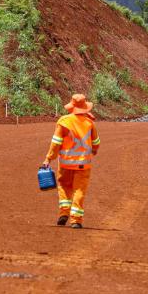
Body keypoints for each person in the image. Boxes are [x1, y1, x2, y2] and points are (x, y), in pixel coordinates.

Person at [43, 94, 100, 228]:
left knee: (64, 186)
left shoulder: (63, 122)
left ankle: (64, 212)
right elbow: (96, 142)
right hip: (83, 165)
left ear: (71, 107)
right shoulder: (90, 123)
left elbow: (56, 143)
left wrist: (48, 158)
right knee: (79, 190)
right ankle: (76, 220)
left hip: (65, 164)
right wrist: (94, 150)